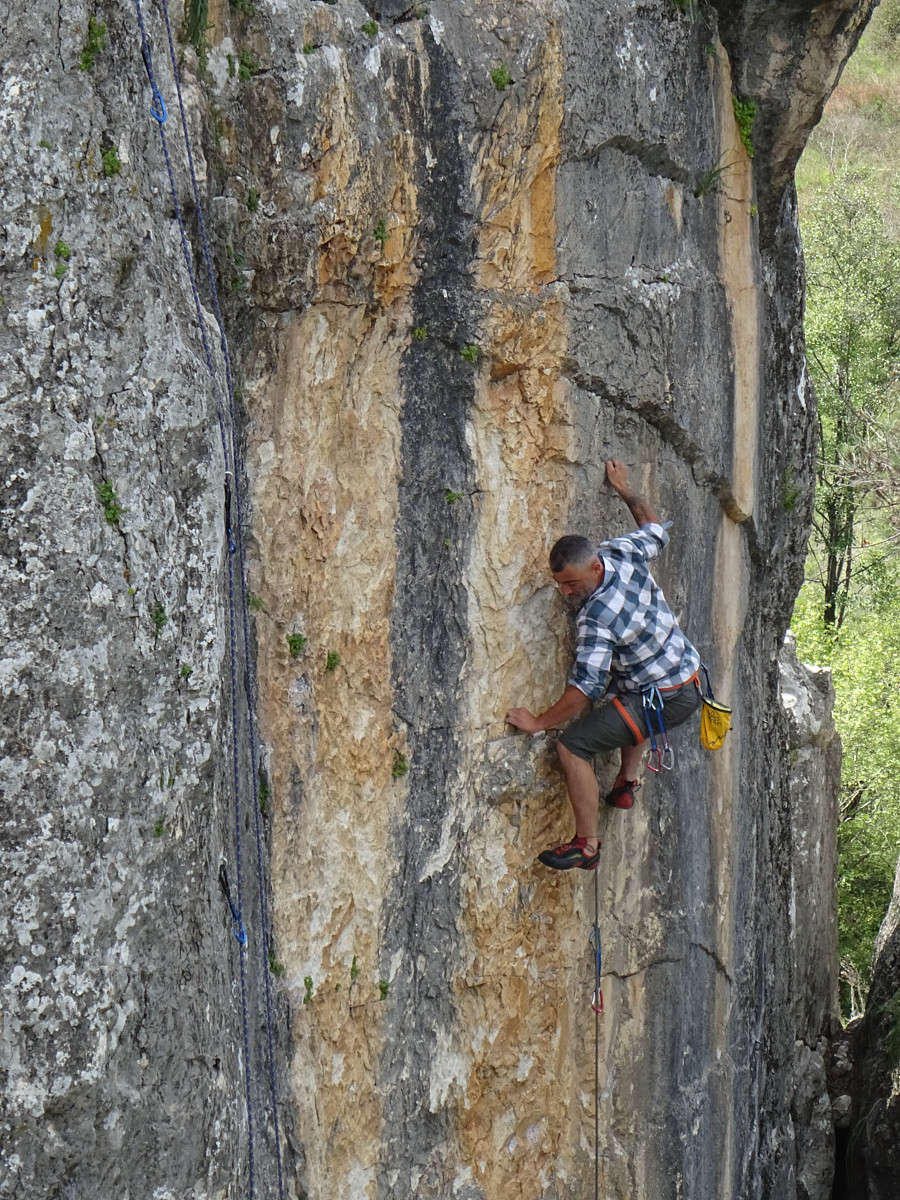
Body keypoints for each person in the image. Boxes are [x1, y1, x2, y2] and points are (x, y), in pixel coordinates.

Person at [505, 460, 701, 870]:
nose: (565, 592)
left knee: (573, 746)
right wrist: (624, 489)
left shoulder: (596, 617)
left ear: (594, 568)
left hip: (665, 698)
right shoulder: (620, 552)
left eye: (571, 583)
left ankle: (586, 846)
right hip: (687, 675)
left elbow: (584, 690)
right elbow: (655, 528)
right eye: (560, 583)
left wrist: (539, 722)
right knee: (628, 691)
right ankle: (626, 783)